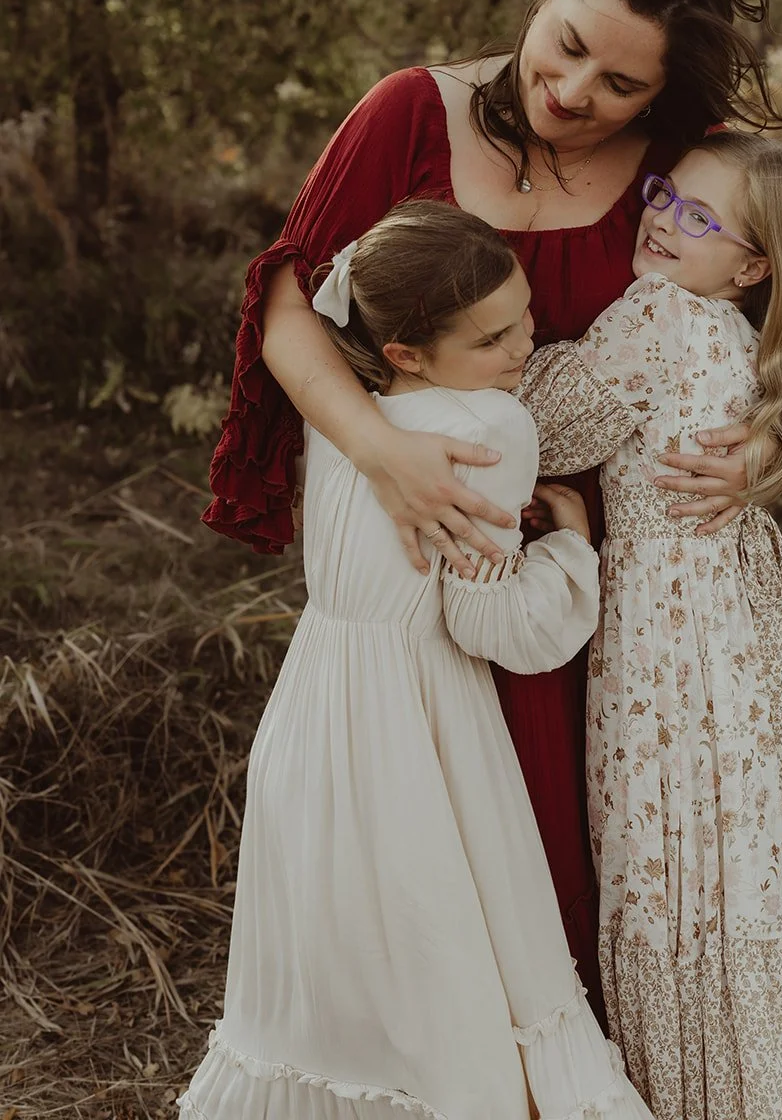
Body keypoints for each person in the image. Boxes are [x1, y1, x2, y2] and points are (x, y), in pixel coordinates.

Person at [202, 0, 782, 1004]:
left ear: (664, 94)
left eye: (620, 86)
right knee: (424, 864)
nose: (571, 94)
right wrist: (378, 449)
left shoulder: (684, 171)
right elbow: (283, 311)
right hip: (425, 544)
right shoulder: (406, 114)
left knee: (571, 853)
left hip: (590, 587)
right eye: (564, 48)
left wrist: (760, 453)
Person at [179, 200, 656, 1120]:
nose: (523, 347)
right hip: (417, 725)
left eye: (523, 319)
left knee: (340, 961)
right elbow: (498, 629)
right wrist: (569, 550)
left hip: (312, 712)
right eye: (491, 339)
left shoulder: (343, 411)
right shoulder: (492, 428)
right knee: (442, 963)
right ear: (405, 351)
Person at [515, 132, 782, 1119]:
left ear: (751, 263)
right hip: (728, 644)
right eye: (662, 195)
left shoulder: (654, 316)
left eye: (698, 217)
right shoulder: (743, 339)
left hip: (663, 648)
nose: (660, 218)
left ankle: (676, 1092)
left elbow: (550, 424)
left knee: (660, 862)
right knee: (726, 866)